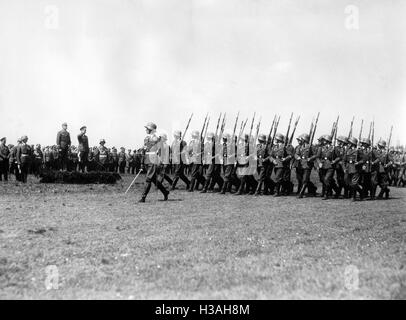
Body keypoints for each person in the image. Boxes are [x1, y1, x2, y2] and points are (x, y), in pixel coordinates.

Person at [138, 122, 169, 203]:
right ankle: (165, 192)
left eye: (147, 129)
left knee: (148, 179)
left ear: (151, 130)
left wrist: (161, 161)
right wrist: (142, 162)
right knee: (153, 179)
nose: (146, 130)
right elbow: (144, 150)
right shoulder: (146, 138)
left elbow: (161, 150)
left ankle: (143, 197)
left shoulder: (156, 139)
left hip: (153, 160)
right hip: (146, 160)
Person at [344, 137, 364, 201]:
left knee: (354, 183)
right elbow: (344, 160)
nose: (348, 144)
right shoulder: (347, 150)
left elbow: (363, 159)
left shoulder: (358, 151)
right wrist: (344, 168)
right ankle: (361, 191)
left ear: (353, 143)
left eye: (349, 143)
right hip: (348, 168)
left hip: (356, 169)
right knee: (348, 182)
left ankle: (353, 196)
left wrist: (358, 163)